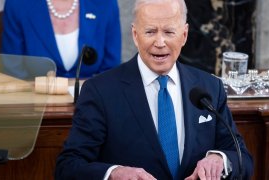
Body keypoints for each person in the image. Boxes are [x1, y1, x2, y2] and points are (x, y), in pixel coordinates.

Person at [55, 0, 253, 179]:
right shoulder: (100, 91)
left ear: (184, 35)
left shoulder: (210, 87)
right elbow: (68, 167)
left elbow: (242, 158)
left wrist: (220, 160)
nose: (160, 43)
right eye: (150, 31)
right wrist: (114, 173)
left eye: (169, 32)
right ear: (135, 35)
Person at [1, 0, 121, 78]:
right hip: (36, 109)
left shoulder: (106, 3)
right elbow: (13, 71)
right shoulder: (17, 4)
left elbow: (111, 70)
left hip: (92, 108)